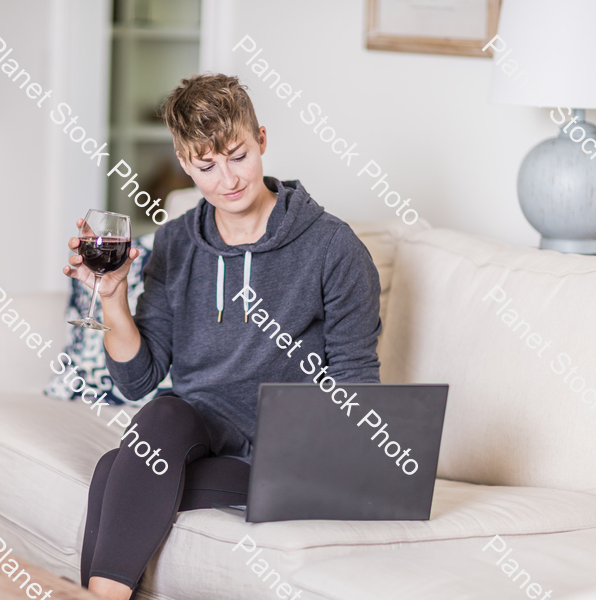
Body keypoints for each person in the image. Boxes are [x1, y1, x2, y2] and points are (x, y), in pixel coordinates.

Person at [62, 73, 382, 600]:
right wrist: (112, 298)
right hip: (198, 430)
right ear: (185, 163)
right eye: (206, 166)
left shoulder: (333, 248)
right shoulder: (176, 242)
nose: (227, 179)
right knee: (161, 415)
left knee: (112, 472)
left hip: (287, 454)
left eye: (237, 155)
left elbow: (356, 384)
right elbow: (138, 380)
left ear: (260, 139)